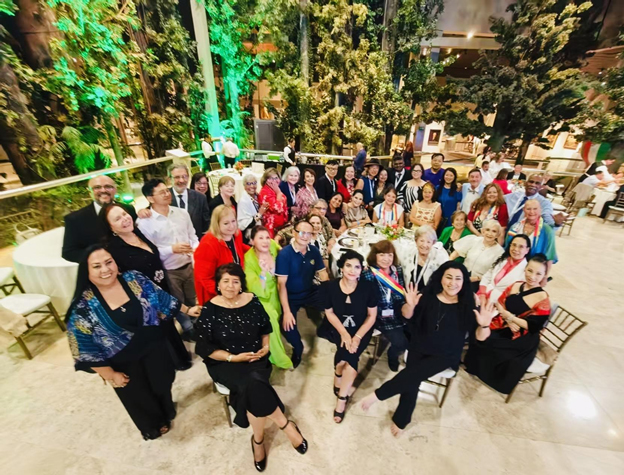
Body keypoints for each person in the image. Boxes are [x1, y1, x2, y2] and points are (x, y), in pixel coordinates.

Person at [66, 245, 201, 440]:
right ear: (85, 271)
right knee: (139, 397)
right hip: (123, 362)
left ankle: (166, 408)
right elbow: (84, 348)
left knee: (163, 381)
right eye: (96, 266)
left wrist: (187, 310)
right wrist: (110, 374)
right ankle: (153, 425)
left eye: (109, 262)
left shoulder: (134, 279)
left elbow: (160, 297)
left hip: (155, 346)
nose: (105, 269)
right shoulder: (82, 308)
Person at [194, 264, 307, 471]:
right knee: (254, 384)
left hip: (256, 358)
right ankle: (285, 425)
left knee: (254, 385)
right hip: (225, 363)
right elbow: (204, 348)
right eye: (225, 281)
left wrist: (265, 348)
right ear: (218, 285)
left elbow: (265, 328)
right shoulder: (210, 309)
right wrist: (233, 358)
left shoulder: (252, 300)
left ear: (241, 285)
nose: (230, 286)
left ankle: (258, 440)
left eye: (235, 281)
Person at [361, 261, 488, 437]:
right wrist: (410, 305)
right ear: (441, 278)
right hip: (420, 345)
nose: (453, 283)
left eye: (458, 278)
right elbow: (407, 315)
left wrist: (485, 325)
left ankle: (378, 396)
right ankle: (402, 418)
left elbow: (480, 337)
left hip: (446, 354)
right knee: (412, 380)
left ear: (464, 281)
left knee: (412, 374)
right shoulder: (428, 295)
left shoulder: (468, 303)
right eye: (449, 277)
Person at [101, 203, 192, 368]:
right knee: (158, 330)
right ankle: (171, 363)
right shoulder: (113, 249)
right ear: (111, 227)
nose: (124, 219)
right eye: (117, 219)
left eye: (124, 214)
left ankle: (180, 357)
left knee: (168, 324)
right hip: (143, 296)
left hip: (161, 286)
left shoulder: (138, 233)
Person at [465, 254, 551, 394]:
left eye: (538, 274)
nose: (532, 276)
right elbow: (500, 302)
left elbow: (534, 326)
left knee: (491, 342)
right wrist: (508, 318)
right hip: (504, 323)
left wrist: (511, 318)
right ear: (525, 269)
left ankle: (486, 372)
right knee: (478, 329)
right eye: (530, 270)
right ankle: (473, 365)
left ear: (543, 275)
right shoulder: (516, 285)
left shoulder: (543, 298)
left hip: (523, 335)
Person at [318, 250, 380, 422]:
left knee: (351, 358)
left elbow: (371, 316)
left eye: (357, 267)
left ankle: (342, 399)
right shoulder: (331, 287)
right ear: (341, 267)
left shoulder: (368, 288)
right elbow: (329, 313)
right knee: (342, 359)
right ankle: (338, 373)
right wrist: (344, 334)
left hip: (362, 330)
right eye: (348, 266)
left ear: (361, 269)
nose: (352, 270)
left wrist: (357, 337)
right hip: (338, 328)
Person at [137, 179, 199, 341]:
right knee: (177, 302)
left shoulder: (182, 213)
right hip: (168, 270)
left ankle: (197, 323)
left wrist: (195, 252)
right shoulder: (145, 223)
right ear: (150, 198)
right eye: (161, 192)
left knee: (192, 297)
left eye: (167, 190)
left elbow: (193, 236)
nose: (167, 194)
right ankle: (188, 329)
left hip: (189, 264)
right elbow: (149, 252)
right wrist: (172, 249)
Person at [275, 219, 329, 368]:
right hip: (291, 296)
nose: (305, 236)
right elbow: (281, 285)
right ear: (294, 233)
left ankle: (325, 329)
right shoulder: (285, 254)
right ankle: (298, 349)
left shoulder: (313, 251)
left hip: (309, 291)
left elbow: (323, 274)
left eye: (309, 233)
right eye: (302, 232)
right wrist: (287, 311)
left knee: (335, 303)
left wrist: (330, 294)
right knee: (287, 326)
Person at [361, 240, 419, 372]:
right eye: (382, 255)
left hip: (399, 309)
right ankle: (392, 355)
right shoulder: (368, 274)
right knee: (401, 343)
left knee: (415, 334)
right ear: (375, 256)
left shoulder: (397, 270)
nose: (386, 259)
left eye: (390, 255)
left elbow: (401, 291)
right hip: (380, 316)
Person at [244, 226, 292, 369]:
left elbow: (283, 253)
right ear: (252, 241)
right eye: (260, 238)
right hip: (262, 297)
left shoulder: (272, 245)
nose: (265, 241)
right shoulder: (249, 259)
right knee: (271, 322)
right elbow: (254, 288)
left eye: (267, 237)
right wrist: (263, 273)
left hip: (279, 290)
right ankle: (279, 358)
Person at [62, 175, 138, 263]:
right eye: (97, 187)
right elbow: (69, 252)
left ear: (115, 189)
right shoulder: (75, 219)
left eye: (108, 186)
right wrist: (99, 258)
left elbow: (139, 234)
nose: (103, 190)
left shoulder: (128, 209)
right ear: (89, 191)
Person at [195, 205, 249, 304]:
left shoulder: (236, 234)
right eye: (226, 223)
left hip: (234, 288)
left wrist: (257, 250)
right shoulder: (208, 243)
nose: (231, 226)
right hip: (215, 294)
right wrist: (226, 293)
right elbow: (204, 278)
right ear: (217, 224)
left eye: (233, 221)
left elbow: (238, 247)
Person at [505, 199, 558, 278]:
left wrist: (545, 277)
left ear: (540, 210)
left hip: (533, 272)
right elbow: (507, 248)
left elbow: (550, 255)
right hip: (512, 267)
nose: (532, 212)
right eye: (528, 209)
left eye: (535, 209)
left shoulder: (547, 230)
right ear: (524, 210)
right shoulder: (515, 227)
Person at [450, 219, 504, 291]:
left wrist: (476, 278)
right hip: (461, 274)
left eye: (494, 231)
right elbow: (456, 252)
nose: (490, 233)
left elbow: (493, 274)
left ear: (498, 235)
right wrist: (447, 263)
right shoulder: (474, 240)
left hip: (478, 282)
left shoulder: (500, 252)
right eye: (487, 230)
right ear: (483, 231)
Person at [478, 234, 531, 306]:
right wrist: (482, 294)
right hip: (482, 295)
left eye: (521, 246)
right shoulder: (502, 259)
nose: (516, 249)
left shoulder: (527, 270)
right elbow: (487, 276)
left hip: (500, 304)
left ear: (527, 250)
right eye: (514, 245)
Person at [169, 164, 211, 239]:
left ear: (188, 178)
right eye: (177, 177)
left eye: (184, 176)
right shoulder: (163, 196)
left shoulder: (200, 198)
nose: (181, 180)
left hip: (196, 242)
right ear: (169, 179)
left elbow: (206, 226)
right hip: (173, 244)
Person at [405, 225, 449, 291]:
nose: (425, 245)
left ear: (433, 243)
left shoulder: (440, 258)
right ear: (416, 241)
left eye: (428, 242)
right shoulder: (409, 253)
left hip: (430, 295)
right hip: (409, 293)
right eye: (422, 241)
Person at [258, 168, 289, 237]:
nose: (274, 181)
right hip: (271, 228)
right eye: (270, 178)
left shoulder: (274, 189)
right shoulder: (265, 192)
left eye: (276, 178)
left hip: (279, 226)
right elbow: (278, 209)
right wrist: (279, 193)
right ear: (265, 180)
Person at [238, 174, 269, 240]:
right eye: (249, 184)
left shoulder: (256, 196)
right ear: (244, 186)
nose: (252, 186)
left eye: (254, 183)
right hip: (250, 233)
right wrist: (260, 214)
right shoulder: (243, 201)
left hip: (260, 226)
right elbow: (244, 225)